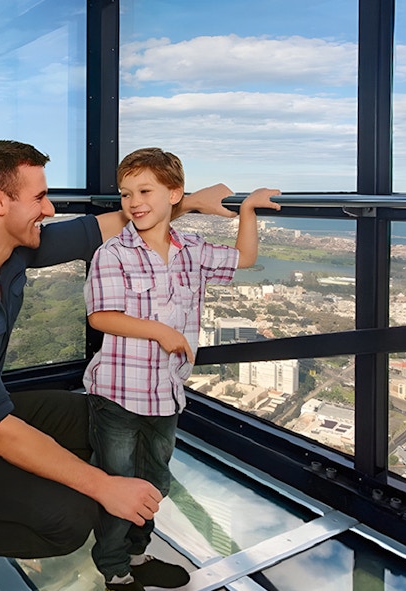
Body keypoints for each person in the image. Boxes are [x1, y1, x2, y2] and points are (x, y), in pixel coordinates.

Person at [0, 140, 235, 590]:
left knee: (109, 419)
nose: (49, 209)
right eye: (38, 197)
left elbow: (105, 227)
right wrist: (103, 486)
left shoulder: (15, 249)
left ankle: (129, 554)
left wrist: (188, 201)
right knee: (70, 518)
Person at [83, 147, 280, 591]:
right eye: (126, 193)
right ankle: (114, 570)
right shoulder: (113, 254)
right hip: (115, 392)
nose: (133, 201)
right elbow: (101, 317)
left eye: (145, 190)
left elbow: (243, 258)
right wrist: (158, 331)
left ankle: (138, 553)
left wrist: (247, 209)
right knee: (119, 486)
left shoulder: (192, 250)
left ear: (175, 194)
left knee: (154, 482)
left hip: (165, 393)